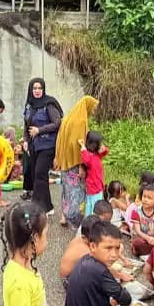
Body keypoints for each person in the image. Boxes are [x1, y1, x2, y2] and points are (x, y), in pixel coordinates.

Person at [0, 201, 50, 306]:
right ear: (34, 239)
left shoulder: (23, 263)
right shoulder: (19, 282)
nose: (47, 240)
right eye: (46, 235)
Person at [54, 96, 100, 228]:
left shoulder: (68, 119)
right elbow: (79, 145)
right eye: (93, 107)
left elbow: (59, 140)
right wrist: (81, 166)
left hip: (65, 161)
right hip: (75, 163)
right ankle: (75, 219)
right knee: (76, 192)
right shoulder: (81, 121)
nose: (93, 110)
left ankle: (64, 215)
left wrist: (57, 157)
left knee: (66, 189)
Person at [22, 78, 63, 214]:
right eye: (34, 88)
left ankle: (36, 205)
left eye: (39, 88)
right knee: (37, 175)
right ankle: (47, 207)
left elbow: (57, 123)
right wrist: (26, 141)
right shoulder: (29, 105)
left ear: (43, 89)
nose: (37, 91)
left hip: (47, 144)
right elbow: (26, 125)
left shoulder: (49, 104)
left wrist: (40, 130)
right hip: (34, 145)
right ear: (30, 90)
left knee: (40, 173)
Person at [78, 131, 108, 220]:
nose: (101, 145)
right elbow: (86, 159)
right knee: (93, 206)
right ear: (94, 145)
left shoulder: (97, 155)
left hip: (97, 186)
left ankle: (90, 221)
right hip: (94, 187)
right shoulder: (90, 157)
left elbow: (105, 152)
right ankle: (91, 222)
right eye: (99, 143)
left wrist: (104, 149)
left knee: (91, 205)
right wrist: (83, 147)